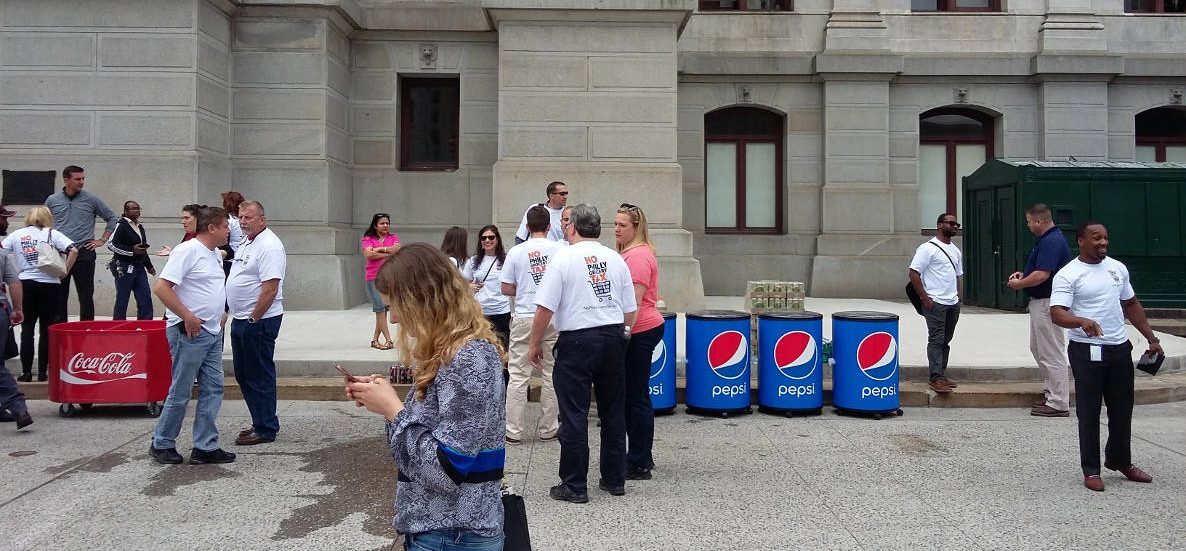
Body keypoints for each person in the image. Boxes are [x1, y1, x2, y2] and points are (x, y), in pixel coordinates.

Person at [345, 243, 506, 550]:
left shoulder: (467, 357)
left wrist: (394, 410)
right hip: (447, 528)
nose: (392, 320)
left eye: (394, 306)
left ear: (423, 300)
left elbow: (447, 469)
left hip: (453, 532)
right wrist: (385, 396)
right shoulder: (454, 349)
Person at [529, 204, 637, 503]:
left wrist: (534, 342)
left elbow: (545, 307)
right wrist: (622, 335)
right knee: (613, 411)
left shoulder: (563, 258)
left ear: (572, 227)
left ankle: (575, 485)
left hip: (577, 338)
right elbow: (630, 310)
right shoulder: (615, 259)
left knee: (574, 414)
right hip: (613, 335)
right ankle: (614, 478)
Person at [1050, 221, 1162, 492]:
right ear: (1081, 241)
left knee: (1122, 409)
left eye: (1105, 238)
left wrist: (1151, 337)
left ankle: (1120, 461)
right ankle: (1091, 470)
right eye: (1096, 238)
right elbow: (1057, 312)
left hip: (1119, 347)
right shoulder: (1069, 274)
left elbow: (1131, 304)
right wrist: (1080, 321)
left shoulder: (1117, 269)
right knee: (1089, 412)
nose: (1102, 243)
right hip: (1086, 350)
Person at [149, 206, 236, 465]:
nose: (228, 230)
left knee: (213, 388)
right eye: (224, 226)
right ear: (211, 228)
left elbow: (210, 287)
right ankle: (162, 442)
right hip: (188, 331)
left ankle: (205, 446)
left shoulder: (214, 255)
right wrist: (187, 315)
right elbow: (162, 288)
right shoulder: (187, 251)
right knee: (181, 390)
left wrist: (221, 312)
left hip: (210, 331)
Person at [500, 205, 562, 445]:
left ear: (527, 227)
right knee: (551, 372)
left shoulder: (517, 252)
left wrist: (525, 288)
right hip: (553, 316)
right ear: (549, 226)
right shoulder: (559, 250)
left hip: (525, 314)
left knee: (517, 374)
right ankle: (549, 428)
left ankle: (513, 430)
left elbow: (505, 287)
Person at [227, 200, 286, 446]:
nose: (242, 222)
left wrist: (254, 318)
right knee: (243, 373)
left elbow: (270, 288)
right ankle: (259, 420)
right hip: (241, 317)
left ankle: (265, 428)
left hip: (259, 320)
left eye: (248, 217)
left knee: (259, 373)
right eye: (240, 217)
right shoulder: (246, 241)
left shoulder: (269, 246)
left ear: (262, 219)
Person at [1007, 204, 1073, 417]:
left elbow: (1042, 274)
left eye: (1028, 221)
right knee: (1039, 348)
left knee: (1050, 351)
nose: (1028, 225)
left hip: (1047, 302)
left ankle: (1058, 401)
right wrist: (1024, 275)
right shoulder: (1050, 240)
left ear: (1038, 221)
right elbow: (1039, 271)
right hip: (1042, 301)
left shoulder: (1051, 241)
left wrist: (1020, 283)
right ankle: (1052, 392)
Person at [614, 202, 664, 481]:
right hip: (642, 328)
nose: (617, 229)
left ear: (636, 227)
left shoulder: (637, 257)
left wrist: (623, 334)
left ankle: (639, 461)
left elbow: (632, 302)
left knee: (635, 397)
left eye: (623, 225)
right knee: (635, 395)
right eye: (616, 224)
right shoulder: (633, 253)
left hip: (640, 329)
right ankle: (641, 455)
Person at [2, 206, 78, 382]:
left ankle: (26, 372)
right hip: (50, 284)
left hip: (25, 283)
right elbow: (73, 250)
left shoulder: (18, 234)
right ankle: (43, 371)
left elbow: (2, 250)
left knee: (27, 329)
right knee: (46, 329)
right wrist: (64, 271)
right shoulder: (53, 234)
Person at [45, 165, 119, 321]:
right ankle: (61, 332)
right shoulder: (52, 200)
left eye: (83, 179)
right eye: (77, 179)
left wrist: (102, 240)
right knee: (59, 295)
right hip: (60, 254)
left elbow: (112, 218)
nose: (82, 182)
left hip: (84, 252)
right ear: (66, 180)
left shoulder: (91, 199)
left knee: (85, 296)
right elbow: (43, 222)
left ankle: (86, 330)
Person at [908, 212, 964, 394]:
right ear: (940, 225)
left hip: (952, 302)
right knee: (936, 339)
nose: (955, 227)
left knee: (946, 340)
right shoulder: (927, 248)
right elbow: (914, 273)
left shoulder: (955, 250)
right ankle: (935, 377)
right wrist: (925, 298)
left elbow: (957, 276)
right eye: (951, 223)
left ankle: (941, 373)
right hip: (935, 302)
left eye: (957, 224)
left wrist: (958, 297)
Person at [462, 225, 511, 351]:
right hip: (481, 312)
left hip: (502, 311)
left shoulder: (506, 260)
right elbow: (463, 285)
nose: (487, 240)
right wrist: (470, 287)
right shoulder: (473, 261)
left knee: (503, 347)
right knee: (482, 347)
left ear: (497, 239)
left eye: (491, 237)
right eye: (483, 238)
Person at [0, 239, 31, 430]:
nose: (7, 221)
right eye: (4, 218)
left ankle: (17, 405)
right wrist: (17, 309)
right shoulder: (2, 253)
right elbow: (14, 282)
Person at [107, 201, 156, 320]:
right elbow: (111, 244)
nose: (137, 211)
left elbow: (142, 248)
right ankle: (118, 324)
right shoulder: (121, 225)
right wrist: (131, 250)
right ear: (125, 211)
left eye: (138, 208)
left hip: (139, 266)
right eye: (133, 208)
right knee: (123, 297)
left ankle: (145, 324)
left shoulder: (140, 227)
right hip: (123, 266)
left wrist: (149, 265)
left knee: (145, 295)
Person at [362, 212, 399, 350]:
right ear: (375, 226)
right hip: (373, 277)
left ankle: (375, 340)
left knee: (382, 309)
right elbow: (368, 254)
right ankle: (389, 340)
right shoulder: (368, 238)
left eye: (387, 223)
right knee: (380, 309)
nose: (385, 225)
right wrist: (388, 252)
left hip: (389, 278)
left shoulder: (393, 237)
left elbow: (398, 250)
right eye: (382, 223)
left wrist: (380, 249)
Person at [220, 191, 246, 275]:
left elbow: (223, 241)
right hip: (243, 258)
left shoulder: (228, 220)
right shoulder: (244, 219)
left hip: (229, 261)